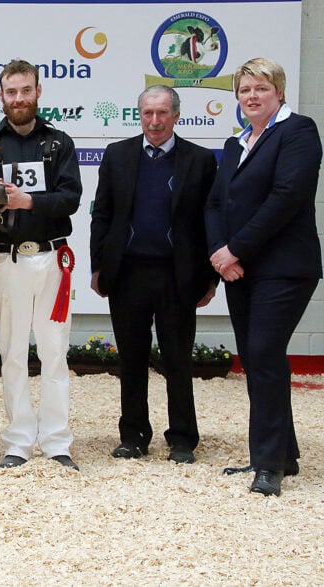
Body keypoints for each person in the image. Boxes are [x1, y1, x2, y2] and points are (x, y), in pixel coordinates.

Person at [205, 57, 322, 496]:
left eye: (261, 88)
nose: (252, 96)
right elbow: (216, 203)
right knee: (257, 360)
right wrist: (220, 255)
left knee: (264, 353)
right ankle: (284, 454)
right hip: (240, 271)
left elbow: (286, 197)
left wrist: (236, 248)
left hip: (285, 268)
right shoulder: (237, 143)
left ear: (279, 92)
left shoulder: (298, 132)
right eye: (244, 90)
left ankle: (267, 464)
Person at [90, 85, 218, 465]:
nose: (155, 121)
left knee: (178, 359)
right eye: (148, 113)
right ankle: (133, 436)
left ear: (176, 115)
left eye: (162, 113)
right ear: (139, 116)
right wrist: (99, 267)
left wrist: (211, 279)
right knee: (131, 359)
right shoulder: (117, 155)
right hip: (127, 274)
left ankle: (182, 440)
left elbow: (208, 222)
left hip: (178, 275)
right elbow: (103, 215)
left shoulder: (199, 160)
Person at [0, 59, 82, 470]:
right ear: (0, 96)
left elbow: (70, 198)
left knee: (54, 353)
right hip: (6, 259)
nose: (19, 98)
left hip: (52, 259)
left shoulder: (59, 143)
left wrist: (28, 200)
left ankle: (56, 442)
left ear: (38, 92)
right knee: (12, 352)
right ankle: (18, 440)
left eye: (26, 90)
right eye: (11, 91)